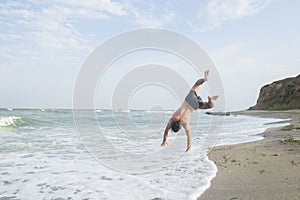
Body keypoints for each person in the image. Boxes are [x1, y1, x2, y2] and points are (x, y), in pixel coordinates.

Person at [160, 70, 218, 152]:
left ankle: (210, 99)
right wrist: (164, 140)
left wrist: (188, 147)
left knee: (209, 106)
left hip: (194, 106)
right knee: (196, 84)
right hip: (188, 99)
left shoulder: (184, 122)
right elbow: (166, 131)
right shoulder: (173, 118)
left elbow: (189, 136)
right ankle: (204, 80)